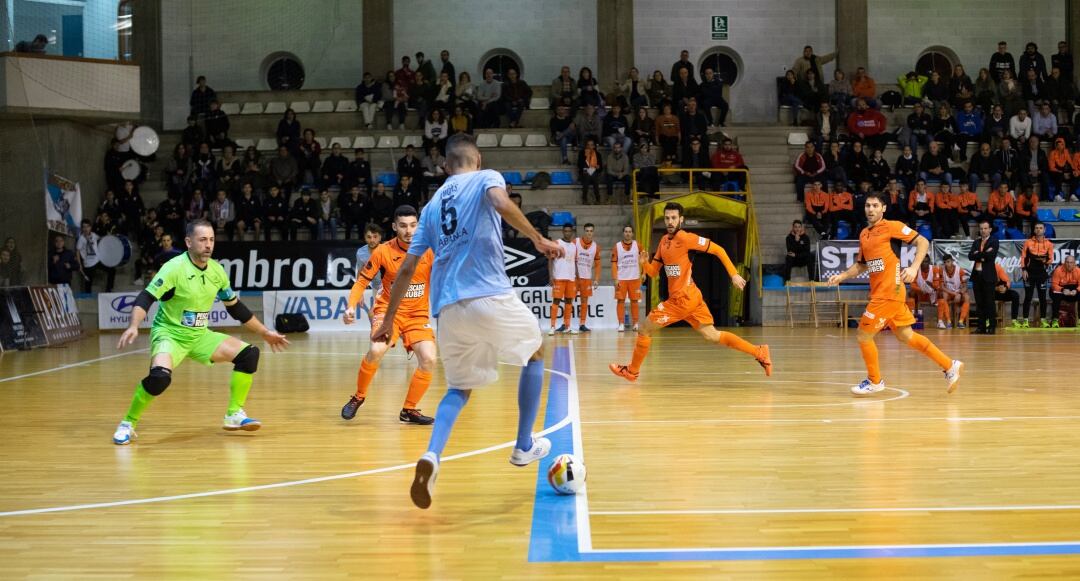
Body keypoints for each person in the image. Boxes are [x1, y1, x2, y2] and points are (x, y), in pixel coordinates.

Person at [370, 134, 562, 509]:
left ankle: (431, 456)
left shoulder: (430, 207)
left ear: (445, 166)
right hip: (488, 292)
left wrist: (387, 320)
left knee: (458, 389)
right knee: (537, 352)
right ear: (479, 158)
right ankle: (523, 445)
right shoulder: (486, 177)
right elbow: (500, 202)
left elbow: (407, 268)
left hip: (450, 310)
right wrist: (537, 238)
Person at [112, 220, 290, 445]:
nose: (208, 245)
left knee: (249, 354)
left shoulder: (217, 271)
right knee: (159, 379)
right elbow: (146, 297)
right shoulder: (174, 268)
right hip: (170, 334)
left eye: (212, 240)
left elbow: (235, 307)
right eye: (202, 239)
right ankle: (128, 422)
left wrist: (265, 332)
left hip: (199, 336)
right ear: (189, 242)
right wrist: (133, 325)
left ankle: (234, 414)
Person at [609, 202, 771, 383]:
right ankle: (759, 352)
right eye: (667, 218)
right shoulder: (663, 242)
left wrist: (733, 274)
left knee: (645, 329)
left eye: (674, 218)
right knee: (713, 335)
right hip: (691, 297)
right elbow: (654, 272)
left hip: (682, 300)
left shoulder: (687, 239)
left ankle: (632, 372)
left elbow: (719, 250)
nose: (670, 221)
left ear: (681, 219)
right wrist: (644, 263)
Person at [827, 193, 963, 395]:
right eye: (867, 205)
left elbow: (923, 242)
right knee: (906, 335)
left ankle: (875, 381)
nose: (870, 209)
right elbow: (862, 265)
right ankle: (949, 365)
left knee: (864, 335)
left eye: (875, 205)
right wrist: (842, 276)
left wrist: (915, 268)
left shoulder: (893, 226)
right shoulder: (864, 234)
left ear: (883, 209)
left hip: (889, 292)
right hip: (883, 293)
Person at [341, 206, 436, 425]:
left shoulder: (429, 250)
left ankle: (409, 410)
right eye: (403, 226)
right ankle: (358, 397)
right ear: (394, 227)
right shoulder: (382, 251)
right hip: (387, 312)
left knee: (429, 359)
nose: (409, 231)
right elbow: (362, 281)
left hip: (417, 315)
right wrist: (351, 306)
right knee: (376, 350)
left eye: (413, 225)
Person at [968, 219, 1001, 334]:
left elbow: (990, 256)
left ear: (990, 229)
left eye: (985, 228)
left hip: (989, 276)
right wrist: (981, 255)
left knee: (989, 302)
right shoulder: (976, 242)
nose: (983, 231)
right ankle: (981, 327)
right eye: (981, 228)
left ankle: (991, 326)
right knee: (979, 302)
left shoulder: (994, 241)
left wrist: (978, 255)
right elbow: (970, 256)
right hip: (977, 276)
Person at [1020, 222, 1054, 327]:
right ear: (1034, 230)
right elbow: (1023, 257)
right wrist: (1024, 270)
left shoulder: (1049, 244)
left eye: (1040, 228)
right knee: (1028, 297)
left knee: (1042, 297)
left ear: (1044, 230)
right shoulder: (1028, 242)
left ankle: (1043, 320)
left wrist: (1044, 261)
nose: (1038, 230)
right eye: (1036, 228)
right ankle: (1025, 320)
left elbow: (1050, 259)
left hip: (1041, 274)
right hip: (1029, 273)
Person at [548, 224, 578, 334]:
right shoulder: (557, 244)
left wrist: (576, 277)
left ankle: (567, 326)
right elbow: (550, 260)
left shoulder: (574, 246)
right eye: (565, 231)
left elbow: (574, 262)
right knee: (556, 301)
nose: (567, 233)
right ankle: (552, 326)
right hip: (559, 277)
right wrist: (551, 276)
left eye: (569, 231)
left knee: (569, 301)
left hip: (571, 278)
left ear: (572, 232)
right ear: (562, 231)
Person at [612, 225, 642, 331]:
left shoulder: (638, 245)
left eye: (630, 231)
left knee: (634, 301)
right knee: (620, 301)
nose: (628, 233)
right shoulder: (617, 246)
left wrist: (644, 273)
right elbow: (614, 264)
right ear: (623, 233)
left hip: (634, 278)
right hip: (621, 279)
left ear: (632, 233)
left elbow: (644, 260)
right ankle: (621, 324)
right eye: (626, 231)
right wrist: (615, 278)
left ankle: (635, 323)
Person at [352, 223, 384, 321]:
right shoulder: (361, 253)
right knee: (375, 317)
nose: (372, 240)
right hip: (376, 288)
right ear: (365, 238)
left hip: (390, 287)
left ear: (380, 238)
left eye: (375, 237)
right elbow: (360, 272)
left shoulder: (386, 250)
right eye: (369, 237)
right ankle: (376, 335)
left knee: (373, 314)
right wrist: (359, 293)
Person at [573, 224, 601, 333]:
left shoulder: (596, 247)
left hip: (586, 278)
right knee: (568, 300)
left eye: (591, 231)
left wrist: (596, 279)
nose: (589, 233)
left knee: (584, 301)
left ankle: (582, 324)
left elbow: (598, 264)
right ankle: (566, 324)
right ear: (584, 232)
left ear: (593, 232)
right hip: (574, 277)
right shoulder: (575, 242)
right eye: (587, 231)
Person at [76, 219, 114, 293]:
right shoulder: (81, 239)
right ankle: (88, 299)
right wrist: (79, 264)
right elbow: (77, 251)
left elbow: (100, 239)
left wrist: (107, 237)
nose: (86, 229)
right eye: (84, 227)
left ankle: (108, 289)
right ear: (82, 228)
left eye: (87, 226)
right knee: (88, 284)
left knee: (112, 270)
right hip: (88, 264)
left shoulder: (93, 235)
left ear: (90, 227)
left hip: (97, 261)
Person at [936, 254, 969, 329]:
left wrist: (960, 293)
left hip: (958, 291)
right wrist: (953, 293)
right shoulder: (941, 270)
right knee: (943, 295)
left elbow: (965, 286)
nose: (946, 264)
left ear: (952, 261)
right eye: (944, 262)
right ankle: (948, 321)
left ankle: (961, 321)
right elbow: (942, 286)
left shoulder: (960, 270)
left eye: (948, 261)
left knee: (967, 297)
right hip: (948, 292)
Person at [1050, 255, 1080, 327]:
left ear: (1074, 263)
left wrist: (1076, 290)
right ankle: (1055, 320)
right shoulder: (1058, 270)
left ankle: (1079, 320)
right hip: (1061, 291)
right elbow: (1054, 285)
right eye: (1067, 262)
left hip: (1073, 292)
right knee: (1056, 295)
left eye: (1071, 262)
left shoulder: (1078, 271)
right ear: (1064, 263)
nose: (1069, 264)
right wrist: (1062, 290)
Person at [577, 137, 604, 205]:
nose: (590, 146)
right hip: (584, 173)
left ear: (594, 146)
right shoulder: (582, 153)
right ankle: (588, 199)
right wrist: (585, 168)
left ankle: (594, 199)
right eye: (588, 145)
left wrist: (598, 167)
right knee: (587, 176)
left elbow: (601, 168)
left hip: (595, 173)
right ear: (586, 146)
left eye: (591, 145)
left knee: (593, 176)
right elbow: (579, 165)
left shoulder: (598, 154)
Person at [996, 262, 1021, 327]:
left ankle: (1014, 320)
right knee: (986, 296)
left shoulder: (998, 267)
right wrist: (996, 288)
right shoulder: (984, 269)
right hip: (990, 292)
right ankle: (988, 320)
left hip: (1002, 291)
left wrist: (1005, 288)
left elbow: (1007, 281)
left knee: (1015, 295)